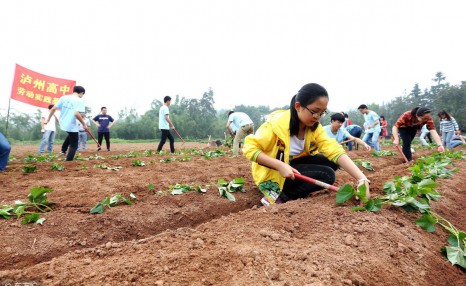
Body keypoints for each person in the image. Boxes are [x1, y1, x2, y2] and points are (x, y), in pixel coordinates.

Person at [243, 83, 370, 206]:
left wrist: (362, 178)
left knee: (331, 161)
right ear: (298, 106)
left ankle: (296, 188)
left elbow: (333, 149)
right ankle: (278, 195)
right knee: (327, 175)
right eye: (315, 111)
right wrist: (279, 165)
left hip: (291, 166)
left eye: (322, 112)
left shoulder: (314, 127)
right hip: (272, 172)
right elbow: (249, 148)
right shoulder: (277, 124)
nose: (318, 117)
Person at [45, 86, 89, 161]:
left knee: (71, 135)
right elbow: (76, 114)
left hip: (63, 122)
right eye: (82, 94)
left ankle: (63, 150)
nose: (82, 96)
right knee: (74, 145)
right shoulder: (79, 101)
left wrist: (47, 119)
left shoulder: (63, 97)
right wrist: (84, 124)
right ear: (81, 93)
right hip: (71, 124)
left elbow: (53, 109)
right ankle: (69, 160)